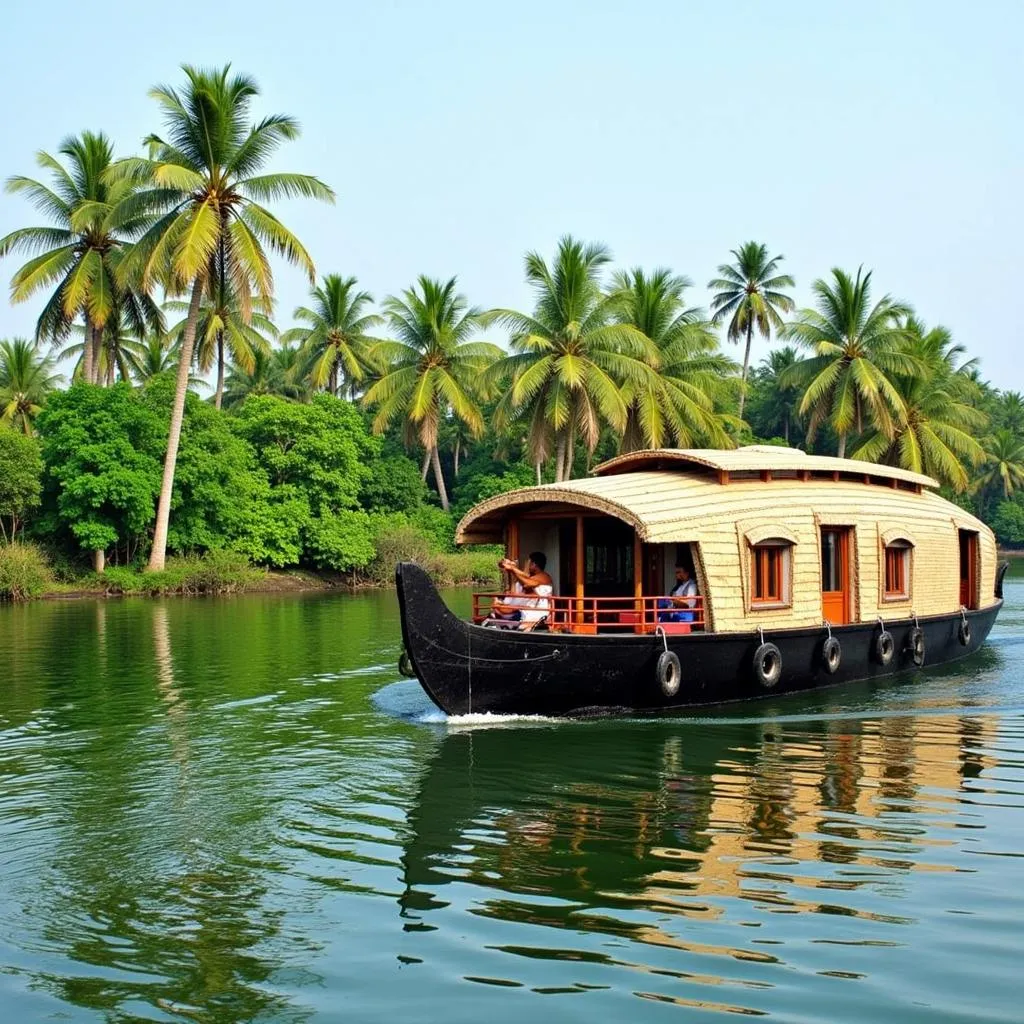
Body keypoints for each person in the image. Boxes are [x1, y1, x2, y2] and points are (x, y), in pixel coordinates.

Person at [487, 551, 554, 628]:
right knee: (498, 608)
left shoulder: (544, 576)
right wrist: (512, 569)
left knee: (504, 609)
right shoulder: (533, 577)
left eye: (529, 563)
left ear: (534, 564)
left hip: (538, 611)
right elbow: (524, 577)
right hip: (530, 609)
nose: (527, 566)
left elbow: (526, 583)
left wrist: (513, 568)